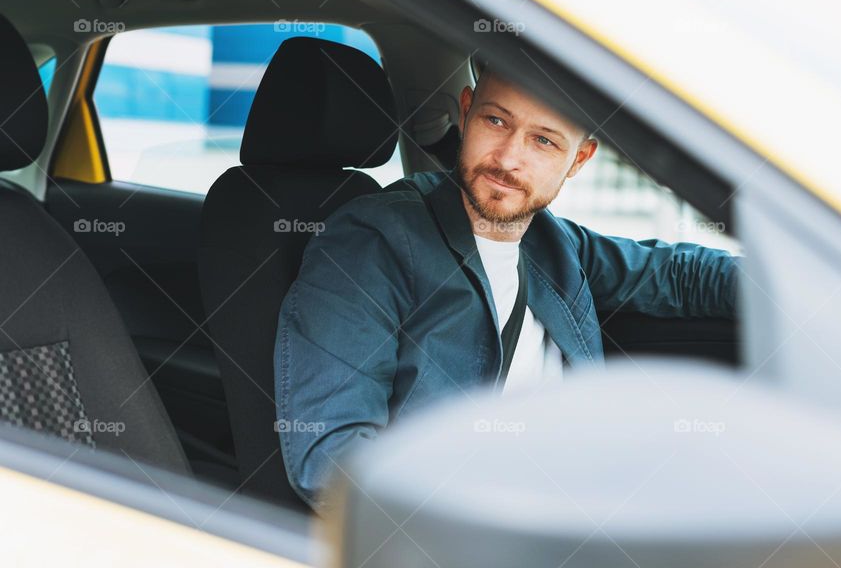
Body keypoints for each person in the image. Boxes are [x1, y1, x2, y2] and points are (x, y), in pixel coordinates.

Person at [274, 61, 741, 510]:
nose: (508, 158)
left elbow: (680, 276)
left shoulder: (551, 241)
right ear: (465, 112)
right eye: (496, 121)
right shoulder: (372, 244)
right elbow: (334, 462)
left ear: (578, 159)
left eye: (543, 141)